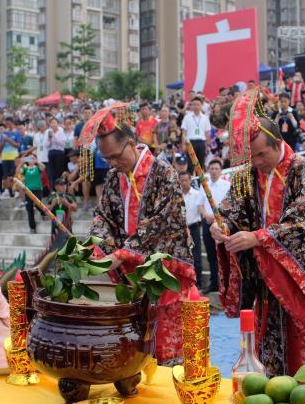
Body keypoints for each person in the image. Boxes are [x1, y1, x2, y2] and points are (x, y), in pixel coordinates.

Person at [210, 88, 305, 375]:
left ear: (277, 142)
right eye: (252, 156)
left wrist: (257, 237)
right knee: (271, 364)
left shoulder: (304, 171)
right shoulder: (248, 175)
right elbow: (231, 209)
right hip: (266, 282)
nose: (257, 161)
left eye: (261, 154)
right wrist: (220, 226)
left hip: (298, 283)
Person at [81, 105, 195, 366]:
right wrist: (94, 245)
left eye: (115, 156)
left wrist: (121, 253)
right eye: (106, 159)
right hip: (129, 273)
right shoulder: (113, 177)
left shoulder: (163, 173)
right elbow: (103, 217)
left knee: (167, 345)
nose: (112, 163)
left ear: (131, 143)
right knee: (133, 345)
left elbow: (165, 223)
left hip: (162, 272)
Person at [198, 159, 231, 294]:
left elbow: (229, 205)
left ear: (221, 170)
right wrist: (206, 214)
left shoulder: (226, 185)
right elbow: (200, 204)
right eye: (211, 168)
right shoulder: (204, 185)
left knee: (224, 254)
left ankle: (227, 284)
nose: (213, 171)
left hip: (222, 223)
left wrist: (219, 217)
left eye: (216, 168)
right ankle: (214, 284)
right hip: (207, 223)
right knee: (211, 254)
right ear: (208, 169)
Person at [179, 171, 203, 283]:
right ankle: (185, 282)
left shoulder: (197, 194)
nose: (184, 183)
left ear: (190, 180)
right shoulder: (176, 195)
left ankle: (198, 282)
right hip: (180, 229)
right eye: (182, 180)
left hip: (194, 228)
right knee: (182, 256)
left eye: (186, 180)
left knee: (196, 256)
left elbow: (203, 210)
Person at [181, 96, 211, 173]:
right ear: (191, 106)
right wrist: (183, 144)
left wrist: (208, 145)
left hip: (201, 142)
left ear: (201, 106)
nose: (196, 106)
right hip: (190, 142)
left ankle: (200, 183)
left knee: (201, 164)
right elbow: (184, 132)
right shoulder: (187, 117)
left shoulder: (205, 118)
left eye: (198, 104)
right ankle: (191, 182)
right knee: (190, 164)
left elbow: (207, 132)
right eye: (194, 104)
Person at [17, 155, 46, 233]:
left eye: (32, 158)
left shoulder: (37, 167)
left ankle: (43, 212)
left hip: (37, 189)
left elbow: (43, 167)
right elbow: (18, 172)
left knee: (37, 204)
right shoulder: (25, 168)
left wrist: (37, 161)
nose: (31, 160)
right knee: (29, 208)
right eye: (29, 158)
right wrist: (21, 162)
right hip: (28, 191)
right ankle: (32, 227)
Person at [47, 117, 67, 183]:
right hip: (51, 153)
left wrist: (54, 136)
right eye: (51, 123)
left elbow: (62, 144)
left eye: (54, 123)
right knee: (52, 172)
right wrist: (50, 139)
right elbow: (47, 145)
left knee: (59, 171)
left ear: (57, 124)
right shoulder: (49, 132)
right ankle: (53, 188)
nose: (53, 124)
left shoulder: (61, 132)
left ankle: (59, 187)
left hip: (59, 152)